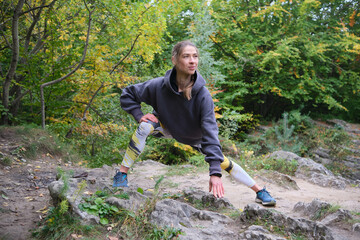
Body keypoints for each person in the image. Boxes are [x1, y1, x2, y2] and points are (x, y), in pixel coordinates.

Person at [114, 40, 276, 206]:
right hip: (166, 126)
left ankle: (259, 191)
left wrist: (215, 173)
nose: (192, 61)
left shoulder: (203, 96)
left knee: (223, 162)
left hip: (194, 137)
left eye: (195, 56)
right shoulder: (158, 86)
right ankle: (121, 174)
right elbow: (128, 94)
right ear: (175, 60)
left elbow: (210, 132)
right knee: (144, 126)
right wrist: (139, 114)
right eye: (186, 56)